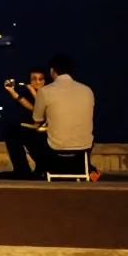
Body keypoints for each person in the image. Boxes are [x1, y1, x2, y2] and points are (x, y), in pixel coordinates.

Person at [32, 53, 99, 181]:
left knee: (19, 133)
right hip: (84, 146)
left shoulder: (46, 91)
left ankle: (37, 170)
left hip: (56, 147)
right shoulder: (87, 90)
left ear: (52, 70)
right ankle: (88, 169)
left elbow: (37, 120)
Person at [3, 67, 49, 179]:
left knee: (26, 135)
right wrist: (12, 91)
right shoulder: (30, 94)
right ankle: (22, 171)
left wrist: (33, 92)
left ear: (45, 80)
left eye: (40, 79)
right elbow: (29, 106)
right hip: (35, 130)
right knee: (12, 131)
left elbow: (41, 110)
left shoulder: (49, 92)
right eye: (33, 79)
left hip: (48, 133)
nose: (37, 82)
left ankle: (40, 169)